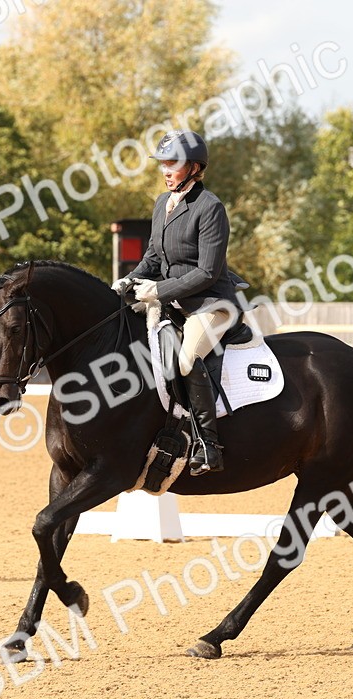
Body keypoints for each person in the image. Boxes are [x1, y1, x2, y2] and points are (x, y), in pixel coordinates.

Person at [112, 130, 243, 476]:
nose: (166, 170)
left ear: (194, 167)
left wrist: (158, 291)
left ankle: (208, 446)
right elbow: (154, 256)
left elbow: (208, 272)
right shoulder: (161, 204)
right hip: (175, 303)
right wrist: (130, 278)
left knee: (186, 361)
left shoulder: (210, 207)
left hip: (211, 305)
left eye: (173, 164)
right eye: (163, 164)